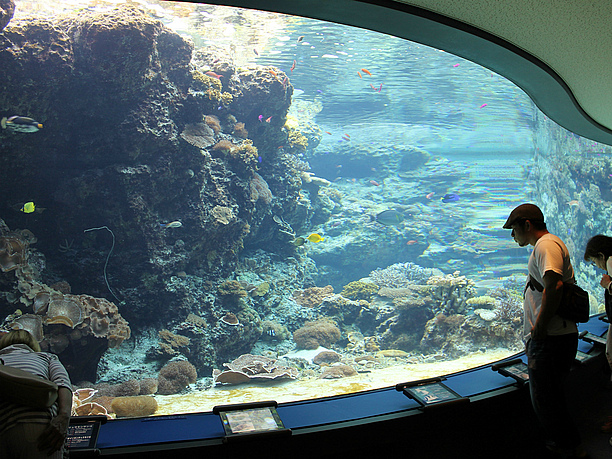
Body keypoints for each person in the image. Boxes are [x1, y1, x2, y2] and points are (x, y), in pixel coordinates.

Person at [503, 203, 586, 458]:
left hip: (551, 338)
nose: (512, 235)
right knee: (551, 398)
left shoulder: (546, 245)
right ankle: (568, 445)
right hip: (553, 336)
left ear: (527, 225)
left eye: (513, 229)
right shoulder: (546, 245)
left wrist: (539, 328)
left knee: (546, 400)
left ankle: (568, 448)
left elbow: (555, 285)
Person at [0, 329, 73, 458]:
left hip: (4, 427)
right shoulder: (46, 357)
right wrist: (63, 417)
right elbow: (63, 384)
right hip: (42, 429)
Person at [583, 234, 612, 434]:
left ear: (601, 255)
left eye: (594, 261)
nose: (598, 266)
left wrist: (608, 285)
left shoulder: (611, 262)